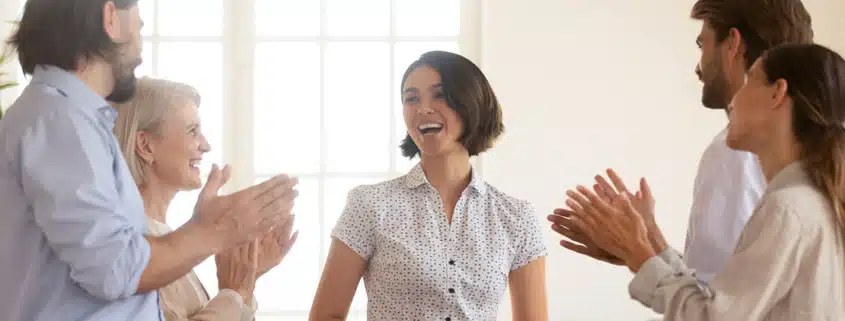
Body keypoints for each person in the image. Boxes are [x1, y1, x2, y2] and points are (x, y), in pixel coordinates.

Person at [0, 1, 296, 320]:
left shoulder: (65, 120)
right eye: (139, 26)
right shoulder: (60, 122)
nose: (140, 46)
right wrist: (213, 232)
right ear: (110, 17)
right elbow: (116, 271)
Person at [561, 42, 845, 320]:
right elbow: (722, 302)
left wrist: (639, 254)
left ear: (777, 93)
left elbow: (709, 317)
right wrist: (650, 243)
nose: (733, 101)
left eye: (749, 82)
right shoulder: (811, 202)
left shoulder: (789, 208)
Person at [548, 0, 814, 283]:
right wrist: (646, 245)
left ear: (733, 44)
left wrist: (641, 254)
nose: (698, 67)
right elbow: (728, 284)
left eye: (703, 45)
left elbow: (715, 308)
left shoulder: (735, 152)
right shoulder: (811, 143)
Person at [309, 51, 548, 321]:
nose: (423, 109)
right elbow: (325, 316)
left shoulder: (516, 218)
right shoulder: (369, 205)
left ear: (472, 103)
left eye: (440, 95)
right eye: (411, 98)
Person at [112, 77, 299, 321]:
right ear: (146, 145)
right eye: (192, 131)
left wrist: (243, 283)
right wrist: (232, 294)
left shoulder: (162, 238)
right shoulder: (131, 244)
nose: (206, 146)